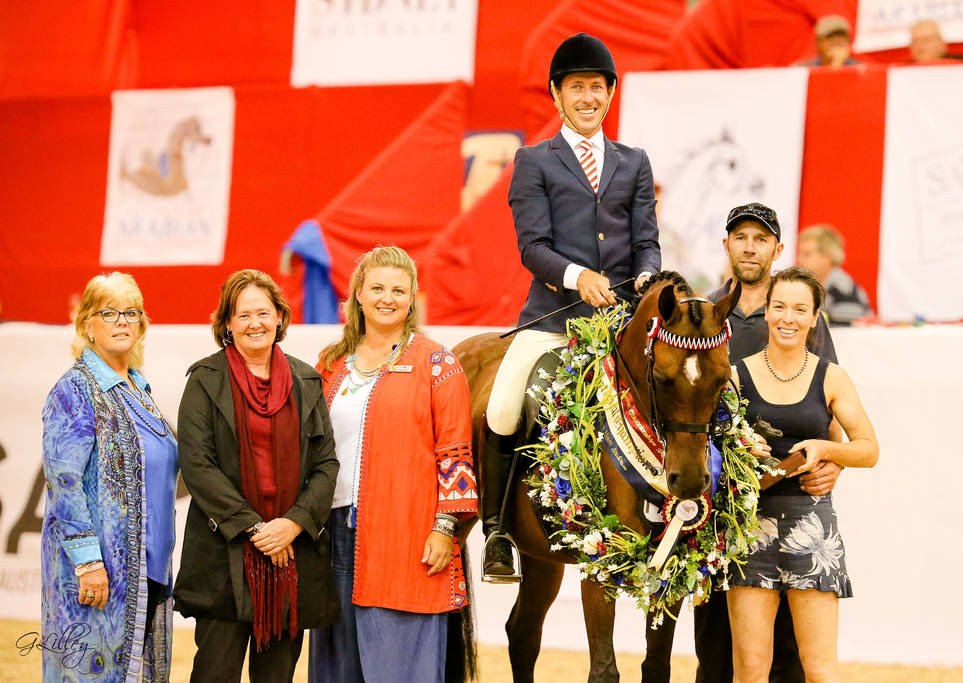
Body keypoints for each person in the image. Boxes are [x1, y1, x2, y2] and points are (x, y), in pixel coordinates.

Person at [482, 32, 661, 581]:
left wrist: (649, 277)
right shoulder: (534, 160)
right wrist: (578, 276)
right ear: (557, 95)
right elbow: (531, 246)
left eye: (597, 87)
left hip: (623, 321)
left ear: (610, 94)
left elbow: (646, 240)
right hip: (554, 320)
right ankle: (496, 532)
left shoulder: (634, 162)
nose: (588, 97)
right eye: (577, 87)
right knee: (503, 407)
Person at [308, 246, 478, 682]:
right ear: (358, 295)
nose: (388, 298)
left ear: (412, 298)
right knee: (338, 665)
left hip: (408, 538)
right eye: (378, 288)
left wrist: (446, 529)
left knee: (401, 663)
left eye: (399, 290)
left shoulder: (437, 363)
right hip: (332, 535)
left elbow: (456, 453)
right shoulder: (329, 365)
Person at [697, 203, 843, 683]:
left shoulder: (796, 315)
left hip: (794, 501)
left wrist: (834, 463)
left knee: (793, 657)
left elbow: (831, 402)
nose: (750, 246)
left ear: (778, 249)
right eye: (740, 237)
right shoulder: (703, 316)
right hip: (721, 508)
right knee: (719, 651)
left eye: (761, 239)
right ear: (727, 246)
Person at [174, 269, 339, 683]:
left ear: (280, 317)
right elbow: (198, 464)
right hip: (225, 558)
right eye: (243, 315)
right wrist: (255, 528)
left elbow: (326, 464)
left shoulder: (306, 381)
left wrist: (293, 523)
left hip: (291, 559)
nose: (255, 324)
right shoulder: (205, 381)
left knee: (277, 677)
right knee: (215, 674)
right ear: (227, 323)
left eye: (263, 313)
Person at [727, 266, 879, 682]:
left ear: (815, 318)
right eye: (779, 306)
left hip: (812, 525)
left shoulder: (831, 376)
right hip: (748, 525)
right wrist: (738, 449)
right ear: (767, 312)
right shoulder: (735, 376)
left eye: (799, 309)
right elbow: (710, 448)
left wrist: (826, 449)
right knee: (750, 672)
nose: (787, 318)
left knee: (820, 671)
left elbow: (869, 449)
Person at [41, 272, 177, 682]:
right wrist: (87, 563)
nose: (122, 321)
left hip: (146, 571)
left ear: (142, 325)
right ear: (87, 324)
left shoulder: (139, 390)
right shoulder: (75, 389)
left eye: (131, 313)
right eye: (109, 312)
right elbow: (64, 483)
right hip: (98, 574)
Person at [797, 225, 873, 326]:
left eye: (807, 254)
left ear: (827, 256)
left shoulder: (841, 289)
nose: (799, 259)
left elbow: (846, 330)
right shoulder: (819, 285)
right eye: (800, 253)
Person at [795, 16, 860, 68]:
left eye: (841, 36)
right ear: (818, 42)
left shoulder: (861, 70)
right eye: (830, 36)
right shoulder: (801, 70)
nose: (837, 41)